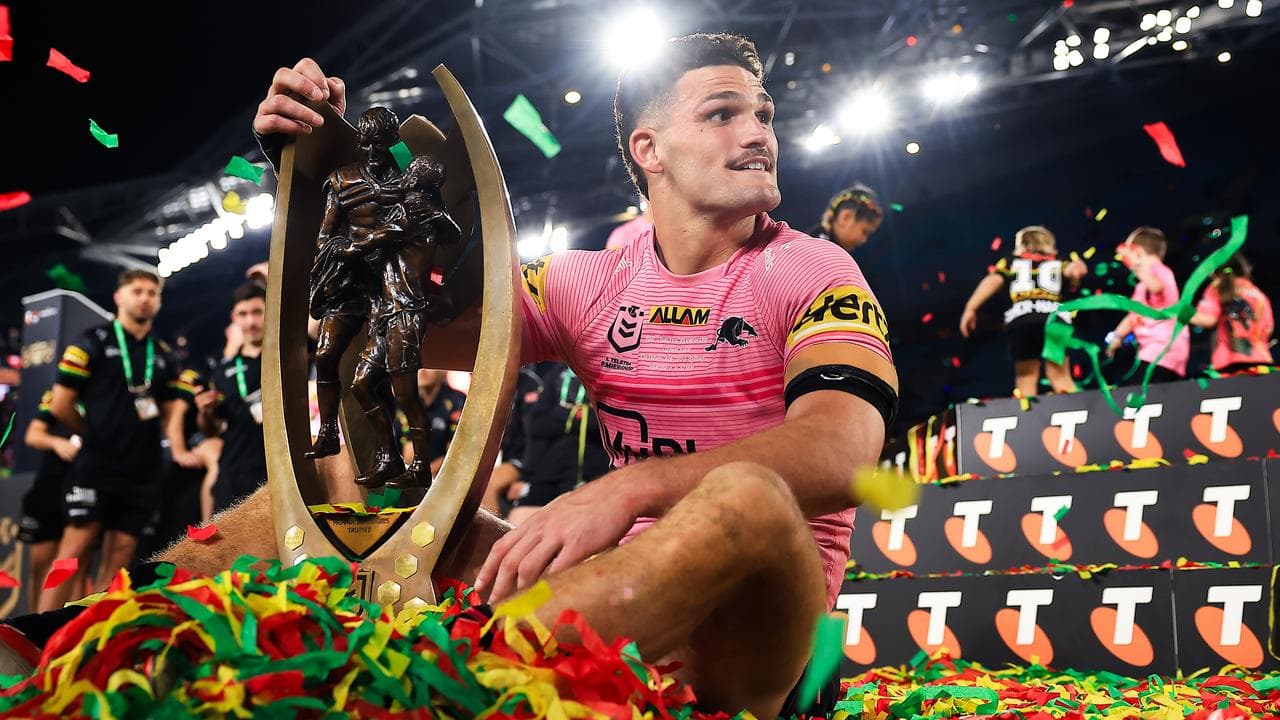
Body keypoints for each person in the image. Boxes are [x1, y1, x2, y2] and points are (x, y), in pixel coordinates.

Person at [2, 34, 895, 718]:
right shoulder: (593, 280)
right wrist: (322, 173)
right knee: (338, 489)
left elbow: (849, 445)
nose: (759, 133)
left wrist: (628, 490)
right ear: (650, 150)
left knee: (745, 499)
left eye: (765, 115)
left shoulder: (812, 269)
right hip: (610, 604)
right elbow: (399, 326)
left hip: (756, 639)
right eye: (725, 113)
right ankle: (73, 649)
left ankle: (412, 687)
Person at [40, 269, 183, 612]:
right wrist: (92, 434)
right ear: (119, 297)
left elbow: (169, 413)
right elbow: (60, 405)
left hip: (143, 471)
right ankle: (36, 627)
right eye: (137, 291)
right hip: (95, 464)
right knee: (72, 551)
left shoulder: (164, 355)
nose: (145, 297)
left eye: (152, 292)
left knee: (120, 553)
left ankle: (95, 632)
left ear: (159, 301)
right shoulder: (91, 341)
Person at [305, 107, 401, 473]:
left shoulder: (405, 181)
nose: (372, 150)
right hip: (349, 283)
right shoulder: (342, 180)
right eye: (366, 142)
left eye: (379, 142)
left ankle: (388, 454)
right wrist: (350, 248)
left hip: (388, 286)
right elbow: (325, 236)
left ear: (391, 142)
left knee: (375, 378)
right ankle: (327, 430)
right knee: (326, 354)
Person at [960, 225, 1087, 397]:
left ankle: (1028, 418)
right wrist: (1076, 269)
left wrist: (971, 308)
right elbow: (1073, 271)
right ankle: (1078, 414)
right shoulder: (1058, 262)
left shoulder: (1011, 262)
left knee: (1026, 377)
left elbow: (993, 280)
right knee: (1060, 377)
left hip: (1022, 320)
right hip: (1054, 321)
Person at [195, 283, 268, 514]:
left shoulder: (287, 358)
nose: (250, 322)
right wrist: (205, 411)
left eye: (257, 312)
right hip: (234, 472)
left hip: (277, 469)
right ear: (233, 318)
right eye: (243, 314)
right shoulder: (222, 370)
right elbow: (210, 430)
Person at [507, 363, 610, 525]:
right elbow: (537, 423)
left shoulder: (611, 371)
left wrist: (561, 414)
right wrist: (526, 476)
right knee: (517, 519)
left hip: (593, 466)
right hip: (552, 465)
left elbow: (604, 423)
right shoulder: (558, 372)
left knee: (574, 521)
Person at [19, 389, 77, 612]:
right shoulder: (61, 392)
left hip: (87, 484)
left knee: (72, 565)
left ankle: (66, 625)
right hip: (50, 485)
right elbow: (33, 435)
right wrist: (57, 443)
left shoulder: (108, 393)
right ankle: (35, 623)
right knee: (41, 563)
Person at [1106, 227, 1190, 382]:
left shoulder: (1160, 271)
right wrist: (1117, 337)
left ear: (1137, 252)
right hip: (1158, 354)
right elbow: (1133, 315)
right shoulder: (1142, 285)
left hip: (1160, 352)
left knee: (1139, 398)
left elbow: (1157, 287)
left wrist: (1134, 265)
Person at [1189, 252, 1274, 374]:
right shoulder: (1258, 294)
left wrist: (1182, 313)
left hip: (1230, 362)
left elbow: (1209, 319)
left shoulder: (1217, 287)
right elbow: (1269, 328)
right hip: (1261, 362)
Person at [396, 368, 466, 476]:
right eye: (419, 365)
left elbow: (457, 453)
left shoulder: (458, 401)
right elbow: (407, 452)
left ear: (443, 370)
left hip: (445, 476)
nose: (423, 370)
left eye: (429, 365)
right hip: (409, 475)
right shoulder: (405, 402)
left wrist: (428, 475)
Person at [813, 184, 884, 252]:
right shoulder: (819, 249)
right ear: (845, 217)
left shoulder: (818, 242)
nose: (864, 240)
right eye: (864, 232)